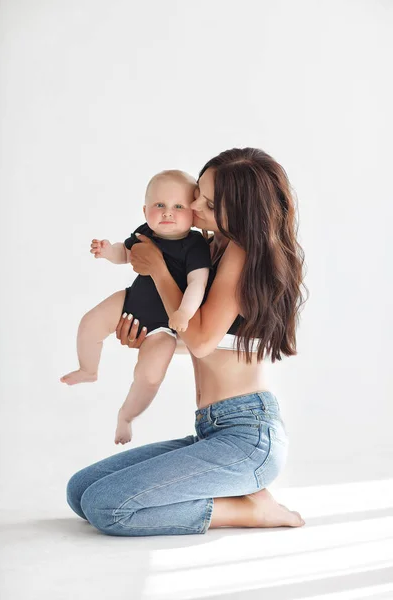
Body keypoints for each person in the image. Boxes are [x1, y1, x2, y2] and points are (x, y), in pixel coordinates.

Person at [66, 147, 307, 536]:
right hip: (213, 428)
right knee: (79, 491)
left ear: (240, 212)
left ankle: (252, 510)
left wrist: (159, 270)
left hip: (247, 434)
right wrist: (150, 337)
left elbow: (200, 342)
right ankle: (245, 495)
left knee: (106, 506)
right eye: (198, 193)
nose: (194, 205)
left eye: (207, 202)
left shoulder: (241, 255)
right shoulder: (210, 249)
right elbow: (210, 342)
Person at [60, 170, 212, 444]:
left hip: (165, 326)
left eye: (178, 206)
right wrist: (108, 252)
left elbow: (197, 284)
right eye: (159, 206)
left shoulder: (196, 245)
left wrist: (184, 313)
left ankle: (126, 416)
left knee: (150, 376)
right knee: (90, 321)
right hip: (130, 301)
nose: (168, 213)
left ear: (193, 212)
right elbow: (126, 253)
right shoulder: (145, 233)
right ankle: (88, 369)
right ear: (145, 210)